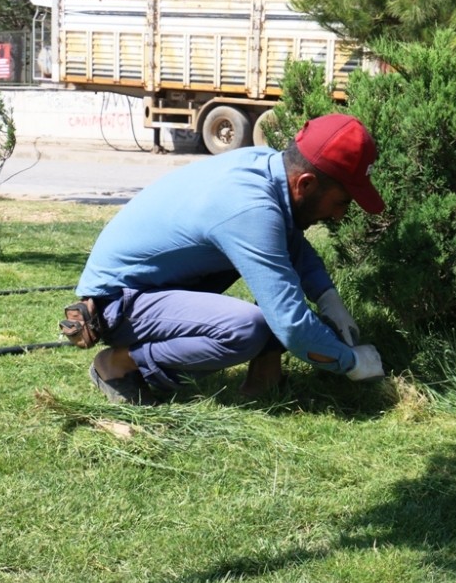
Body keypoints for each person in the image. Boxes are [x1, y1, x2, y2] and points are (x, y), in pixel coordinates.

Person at [73, 113, 386, 404]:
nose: (340, 215)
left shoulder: (267, 166)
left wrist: (327, 297)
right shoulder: (250, 209)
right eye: (341, 202)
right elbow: (292, 327)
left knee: (272, 305)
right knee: (245, 328)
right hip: (117, 303)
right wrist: (352, 363)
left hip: (152, 286)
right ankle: (119, 364)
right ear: (305, 183)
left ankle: (265, 381)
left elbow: (293, 246)